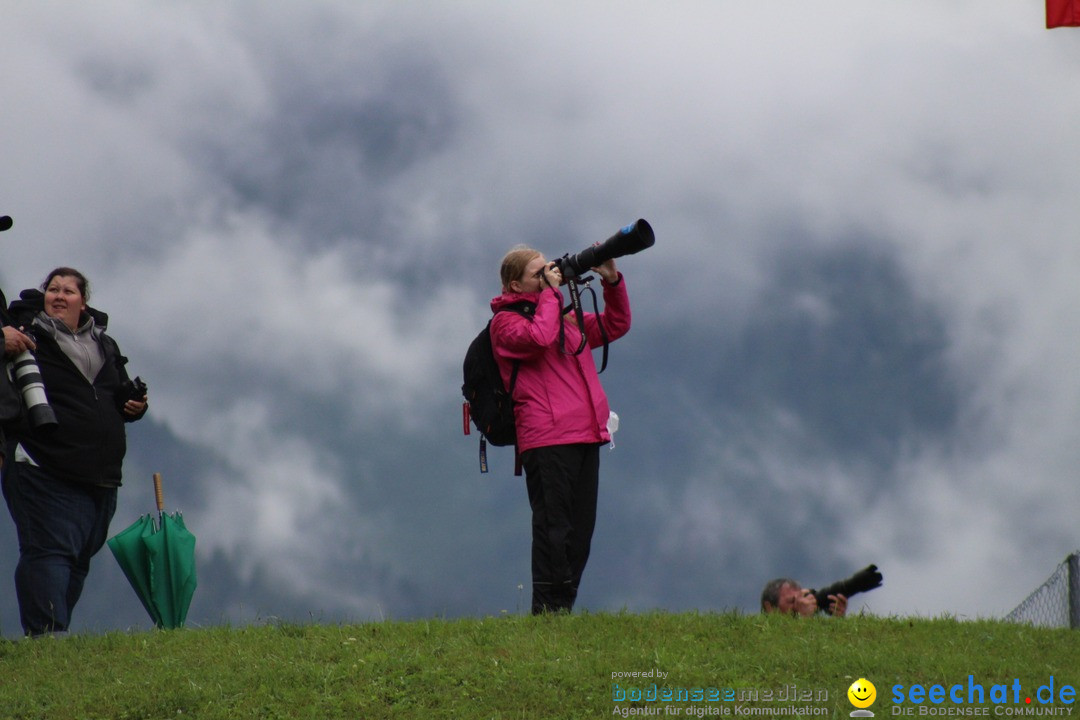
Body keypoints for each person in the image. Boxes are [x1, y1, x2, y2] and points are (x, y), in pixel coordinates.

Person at [1, 267, 148, 636]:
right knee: (50, 551)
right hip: (42, 463)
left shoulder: (104, 344)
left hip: (99, 475)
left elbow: (113, 395)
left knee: (79, 557)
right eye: (53, 289)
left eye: (69, 291)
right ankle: (47, 635)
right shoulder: (25, 335)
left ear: (84, 303)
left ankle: (55, 636)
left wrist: (134, 405)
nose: (59, 296)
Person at [489, 246, 631, 614]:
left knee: (580, 533)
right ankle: (546, 611)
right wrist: (553, 293)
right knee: (555, 529)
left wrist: (612, 282)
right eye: (538, 274)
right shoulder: (504, 324)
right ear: (514, 285)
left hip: (587, 434)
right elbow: (537, 338)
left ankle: (561, 610)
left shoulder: (565, 319)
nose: (548, 276)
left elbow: (616, 325)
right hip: (547, 437)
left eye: (548, 270)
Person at [760, 577, 848, 617]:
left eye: (801, 598)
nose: (800, 603)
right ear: (769, 607)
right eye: (791, 601)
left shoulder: (816, 629)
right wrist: (805, 618)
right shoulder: (758, 633)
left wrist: (838, 621)